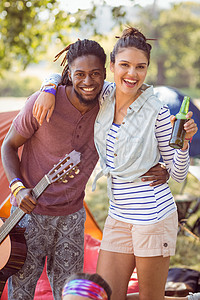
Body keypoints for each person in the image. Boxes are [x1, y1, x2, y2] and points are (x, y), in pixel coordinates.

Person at [33, 28, 198, 300]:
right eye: (125, 65)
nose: (132, 74)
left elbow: (179, 174)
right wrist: (48, 87)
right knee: (102, 295)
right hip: (118, 215)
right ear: (111, 66)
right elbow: (66, 73)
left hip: (152, 217)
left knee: (150, 298)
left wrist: (183, 144)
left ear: (147, 69)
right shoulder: (104, 95)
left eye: (140, 67)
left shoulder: (157, 111)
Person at [1, 38, 168, 300]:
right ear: (69, 73)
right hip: (29, 216)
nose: (88, 81)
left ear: (106, 73)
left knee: (72, 294)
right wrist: (17, 187)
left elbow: (139, 93)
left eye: (95, 74)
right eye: (79, 74)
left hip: (73, 217)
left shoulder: (108, 103)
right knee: (20, 292)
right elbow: (8, 146)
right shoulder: (44, 102)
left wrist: (167, 166)